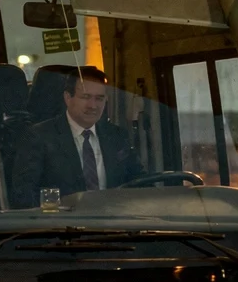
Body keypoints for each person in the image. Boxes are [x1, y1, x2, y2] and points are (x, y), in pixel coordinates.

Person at [9, 66, 143, 208]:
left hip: (115, 222)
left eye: (99, 98)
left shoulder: (117, 136)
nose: (93, 106)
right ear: (68, 98)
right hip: (64, 225)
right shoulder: (39, 137)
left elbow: (138, 181)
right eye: (85, 97)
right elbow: (23, 195)